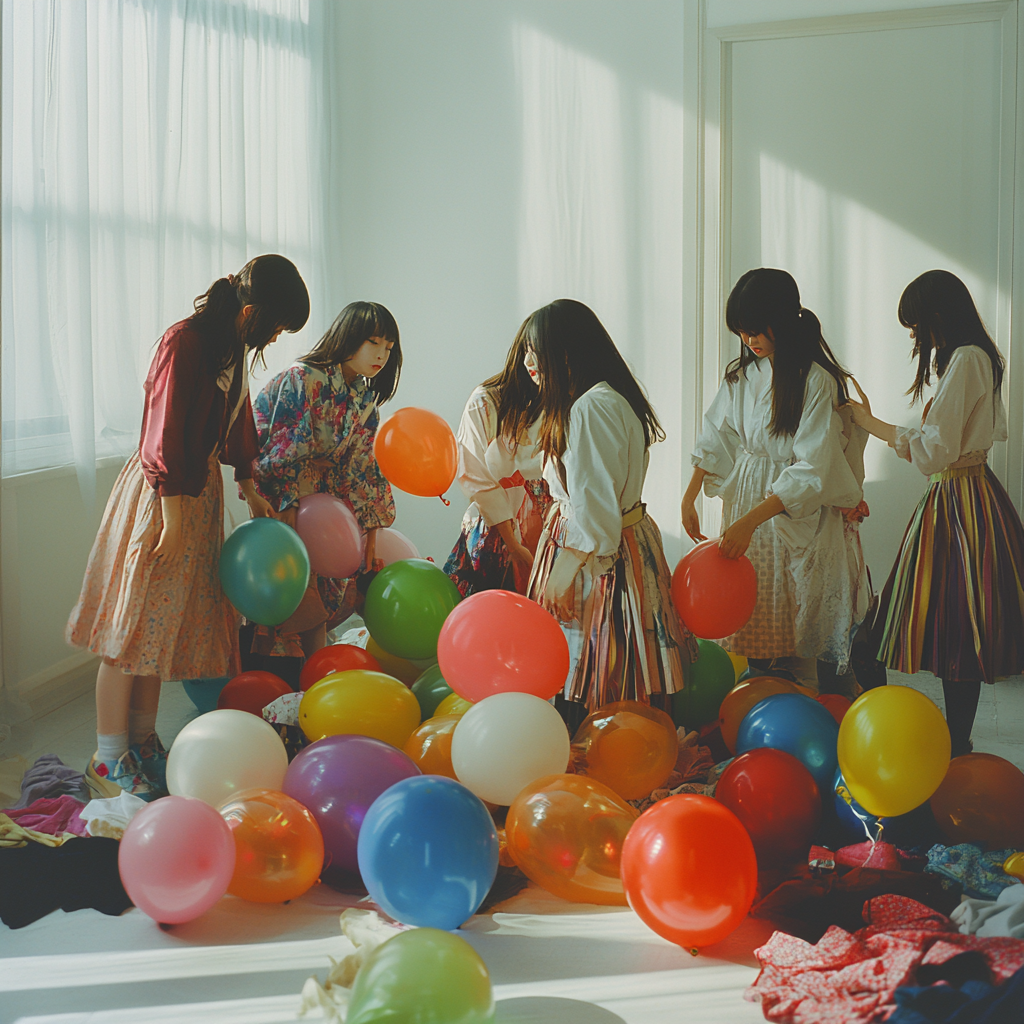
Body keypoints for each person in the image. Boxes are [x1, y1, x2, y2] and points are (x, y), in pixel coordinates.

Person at [67, 255, 310, 798]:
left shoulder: (231, 347)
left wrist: (248, 484)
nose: (272, 338)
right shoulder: (186, 342)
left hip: (196, 496)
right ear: (251, 311)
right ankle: (107, 760)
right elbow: (165, 430)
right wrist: (172, 519)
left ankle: (142, 741)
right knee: (129, 633)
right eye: (274, 327)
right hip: (163, 497)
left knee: (159, 632)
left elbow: (237, 419)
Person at [845, 270, 1024, 756]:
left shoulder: (966, 359)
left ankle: (928, 740)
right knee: (960, 633)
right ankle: (954, 744)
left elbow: (933, 452)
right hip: (970, 497)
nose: (915, 338)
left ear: (938, 318)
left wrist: (871, 423)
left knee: (950, 633)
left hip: (957, 502)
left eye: (916, 326)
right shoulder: (976, 358)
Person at [681, 268, 869, 692]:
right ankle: (762, 683)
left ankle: (790, 689)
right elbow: (717, 435)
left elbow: (811, 468)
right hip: (748, 492)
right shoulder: (743, 376)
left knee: (787, 601)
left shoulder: (815, 381)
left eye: (754, 329)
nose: (749, 339)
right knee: (753, 602)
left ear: (782, 319)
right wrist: (690, 495)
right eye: (741, 331)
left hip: (782, 506)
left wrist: (751, 520)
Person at [521, 299, 696, 725]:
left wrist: (564, 570)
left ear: (567, 351)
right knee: (610, 661)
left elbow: (596, 512)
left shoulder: (590, 407)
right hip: (613, 542)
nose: (529, 363)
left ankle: (597, 760)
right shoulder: (597, 399)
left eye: (537, 351)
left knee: (595, 663)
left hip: (596, 557)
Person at [248, 301, 400, 665]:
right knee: (287, 592)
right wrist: (292, 509)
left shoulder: (365, 400)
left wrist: (370, 530)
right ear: (348, 338)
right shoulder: (302, 379)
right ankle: (279, 684)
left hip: (328, 506)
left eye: (389, 348)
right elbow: (275, 449)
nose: (381, 355)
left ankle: (313, 681)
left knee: (327, 590)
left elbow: (364, 466)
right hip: (286, 499)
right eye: (374, 343)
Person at [444, 330, 551, 596]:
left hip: (545, 524)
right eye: (528, 351)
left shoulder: (553, 403)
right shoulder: (486, 401)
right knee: (488, 609)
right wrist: (513, 544)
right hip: (497, 529)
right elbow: (475, 475)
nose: (532, 362)